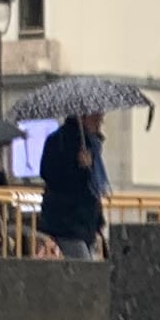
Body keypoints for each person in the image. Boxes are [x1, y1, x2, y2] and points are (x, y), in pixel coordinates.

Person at [39, 106, 107, 259]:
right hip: (67, 221)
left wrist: (99, 220)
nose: (99, 123)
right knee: (84, 268)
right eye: (96, 118)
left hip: (85, 221)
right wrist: (78, 167)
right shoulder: (59, 140)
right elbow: (51, 175)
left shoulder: (91, 144)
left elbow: (92, 186)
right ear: (82, 117)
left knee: (85, 266)